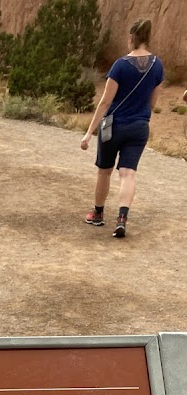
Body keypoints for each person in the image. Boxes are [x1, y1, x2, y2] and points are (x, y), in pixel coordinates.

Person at [80, 18, 163, 238]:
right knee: (128, 174)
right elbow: (152, 104)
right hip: (139, 127)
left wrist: (89, 132)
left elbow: (105, 102)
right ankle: (122, 218)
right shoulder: (157, 65)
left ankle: (98, 214)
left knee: (105, 171)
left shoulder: (120, 65)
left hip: (114, 126)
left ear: (131, 38)